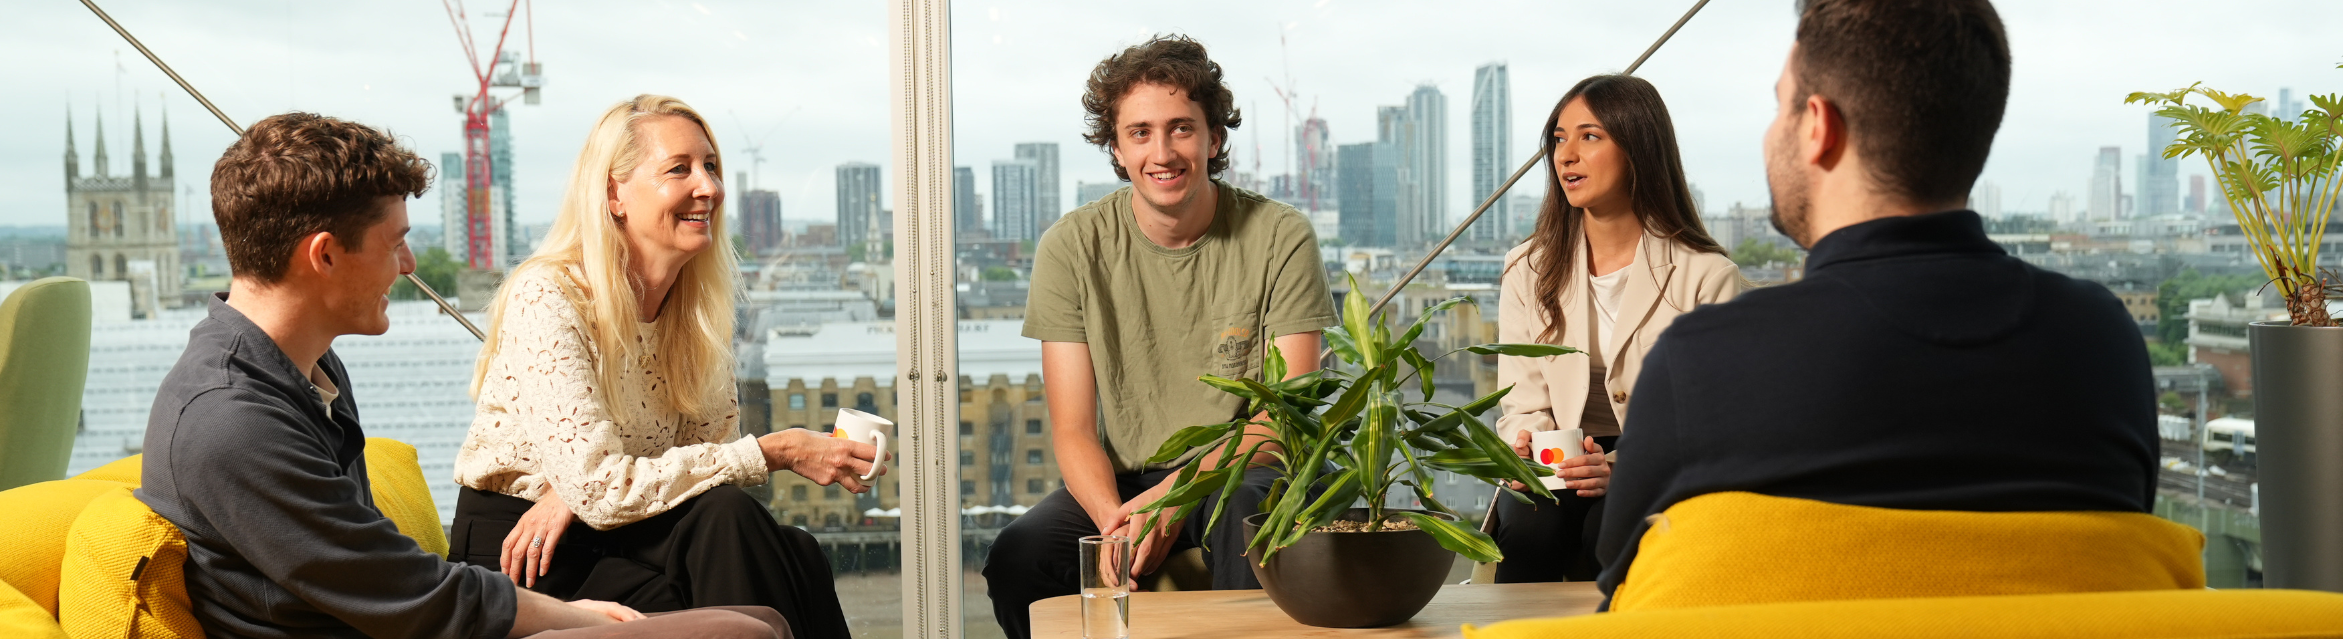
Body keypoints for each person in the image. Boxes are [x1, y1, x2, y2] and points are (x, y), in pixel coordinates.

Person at [135, 112, 791, 638]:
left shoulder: (302, 372)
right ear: (325, 255)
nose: (410, 261)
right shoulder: (231, 421)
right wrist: (579, 615)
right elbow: (407, 595)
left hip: (431, 612)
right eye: (394, 241)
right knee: (748, 628)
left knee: (762, 604)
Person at [1594, 0, 2157, 606]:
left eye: (1780, 104)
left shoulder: (1706, 362)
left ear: (1818, 127)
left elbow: (1628, 582)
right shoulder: (2103, 345)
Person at [449, 95, 863, 639]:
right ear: (614, 194)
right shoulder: (547, 295)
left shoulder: (696, 316)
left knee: (767, 537)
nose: (709, 188)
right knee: (747, 550)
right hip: (526, 549)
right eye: (679, 169)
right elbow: (606, 484)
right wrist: (775, 449)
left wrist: (570, 495)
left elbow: (695, 470)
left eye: (711, 167)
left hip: (619, 524)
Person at [981, 35, 1337, 639]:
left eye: (1181, 128)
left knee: (1247, 521)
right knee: (1019, 557)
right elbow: (1071, 428)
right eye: (1140, 132)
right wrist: (1115, 523)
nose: (1162, 151)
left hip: (1249, 468)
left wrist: (1175, 497)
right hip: (1124, 481)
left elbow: (1282, 422)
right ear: (1116, 149)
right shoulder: (1071, 247)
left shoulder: (1281, 236)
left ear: (1213, 139)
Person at [1490, 74, 1742, 583]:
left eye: (1589, 136)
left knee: (1611, 531)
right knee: (1530, 533)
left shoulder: (1708, 276)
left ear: (1638, 148)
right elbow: (1523, 400)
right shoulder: (1527, 268)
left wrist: (1624, 466)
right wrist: (1532, 448)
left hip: (1661, 462)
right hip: (1561, 459)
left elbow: (1710, 421)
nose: (1566, 155)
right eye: (1559, 139)